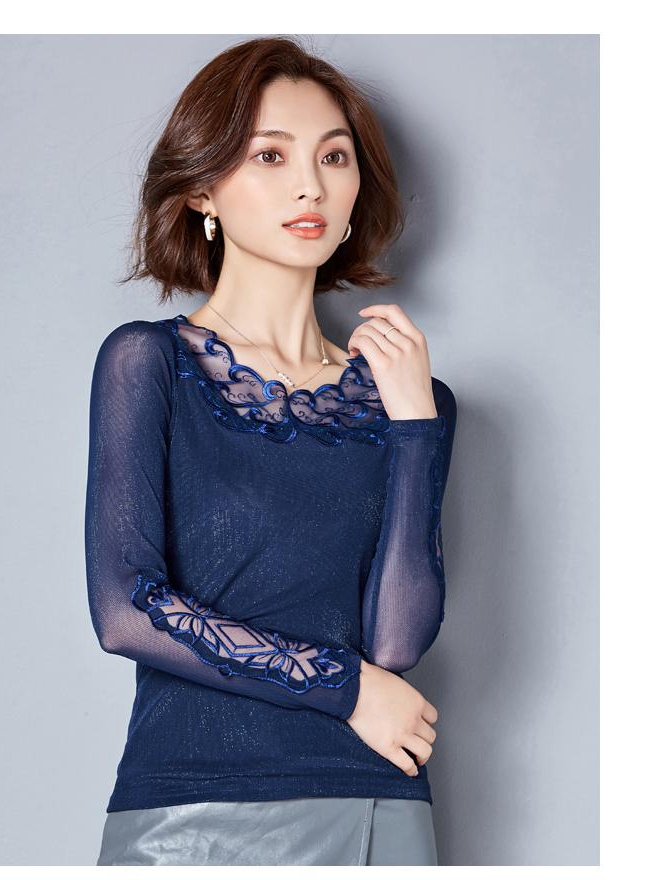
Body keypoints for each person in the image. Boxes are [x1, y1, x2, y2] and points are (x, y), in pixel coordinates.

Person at [85, 36, 457, 867]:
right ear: (203, 190)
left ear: (357, 190)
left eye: (334, 156)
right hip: (190, 807)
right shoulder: (149, 363)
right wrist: (344, 686)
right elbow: (125, 608)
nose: (309, 185)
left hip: (374, 801)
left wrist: (413, 426)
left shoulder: (412, 395)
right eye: (271, 155)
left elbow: (396, 644)